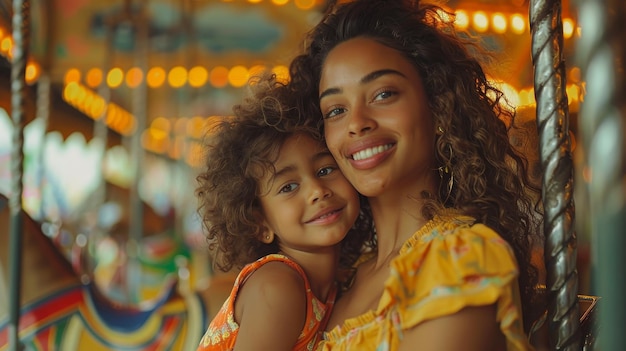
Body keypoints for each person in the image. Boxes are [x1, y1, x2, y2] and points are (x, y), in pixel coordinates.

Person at [287, 0, 545, 350]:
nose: (356, 122)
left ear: (438, 108)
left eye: (383, 94)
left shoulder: (461, 256)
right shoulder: (342, 281)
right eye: (336, 109)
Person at [194, 73, 374, 351]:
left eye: (326, 170)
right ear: (259, 223)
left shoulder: (334, 285)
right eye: (289, 187)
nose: (317, 190)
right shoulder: (279, 285)